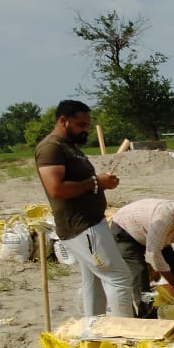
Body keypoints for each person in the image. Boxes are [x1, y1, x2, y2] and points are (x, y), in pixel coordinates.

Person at [35, 100, 135, 317]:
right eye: (81, 125)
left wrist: (101, 183)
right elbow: (56, 189)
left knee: (94, 279)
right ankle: (125, 330)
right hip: (82, 227)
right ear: (63, 121)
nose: (85, 130)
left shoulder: (70, 148)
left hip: (92, 223)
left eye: (88, 125)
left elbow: (83, 183)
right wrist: (96, 182)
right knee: (118, 277)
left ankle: (93, 327)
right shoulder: (50, 148)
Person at [111, 198, 174, 314]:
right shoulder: (165, 218)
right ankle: (147, 314)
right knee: (140, 275)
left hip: (155, 237)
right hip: (126, 231)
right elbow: (153, 255)